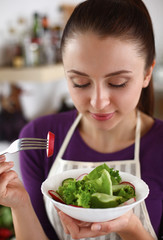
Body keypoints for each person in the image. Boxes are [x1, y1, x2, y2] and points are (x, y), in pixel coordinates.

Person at [0, 0, 163, 239]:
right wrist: (19, 204)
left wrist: (130, 227)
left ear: (147, 73)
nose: (98, 102)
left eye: (118, 83)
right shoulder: (40, 137)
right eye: (80, 82)